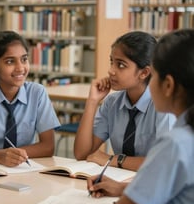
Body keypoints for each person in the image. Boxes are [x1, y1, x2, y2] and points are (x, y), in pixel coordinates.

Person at [89, 29, 194, 204]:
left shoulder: (176, 144)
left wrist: (124, 201)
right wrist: (123, 188)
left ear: (168, 85)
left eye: (152, 76)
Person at [74, 31, 175, 172]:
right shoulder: (112, 103)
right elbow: (82, 154)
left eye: (121, 65)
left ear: (144, 73)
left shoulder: (164, 106)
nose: (111, 71)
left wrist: (113, 159)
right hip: (120, 181)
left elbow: (165, 163)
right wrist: (92, 101)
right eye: (111, 62)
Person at [0, 30, 60, 167]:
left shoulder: (37, 93)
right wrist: (0, 157)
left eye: (24, 59)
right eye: (10, 61)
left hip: (25, 168)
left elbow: (48, 146)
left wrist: (15, 156)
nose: (20, 68)